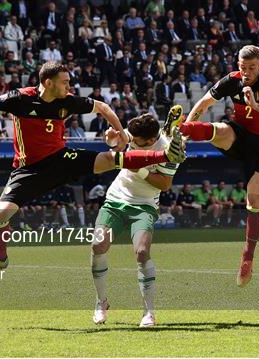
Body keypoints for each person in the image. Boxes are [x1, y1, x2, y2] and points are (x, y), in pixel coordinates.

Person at [0, 62, 186, 279]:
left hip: (61, 158)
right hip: (28, 169)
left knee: (110, 159)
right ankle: (0, 261)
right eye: (65, 82)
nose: (69, 86)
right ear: (48, 83)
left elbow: (103, 107)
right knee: (0, 215)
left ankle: (166, 154)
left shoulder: (68, 101)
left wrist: (121, 133)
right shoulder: (19, 98)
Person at [164, 45, 259, 287]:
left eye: (251, 68)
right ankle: (178, 132)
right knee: (221, 130)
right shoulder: (232, 81)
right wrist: (188, 128)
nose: (246, 72)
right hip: (239, 134)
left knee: (254, 201)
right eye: (242, 67)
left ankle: (247, 257)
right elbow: (204, 102)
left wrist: (257, 106)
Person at [91, 110, 181, 328]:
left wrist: (138, 169)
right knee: (98, 245)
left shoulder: (170, 149)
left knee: (142, 252)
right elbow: (122, 141)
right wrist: (113, 141)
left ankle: (148, 313)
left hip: (145, 204)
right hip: (115, 199)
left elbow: (165, 184)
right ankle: (101, 302)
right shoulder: (139, 134)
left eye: (138, 142)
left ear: (151, 140)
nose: (134, 142)